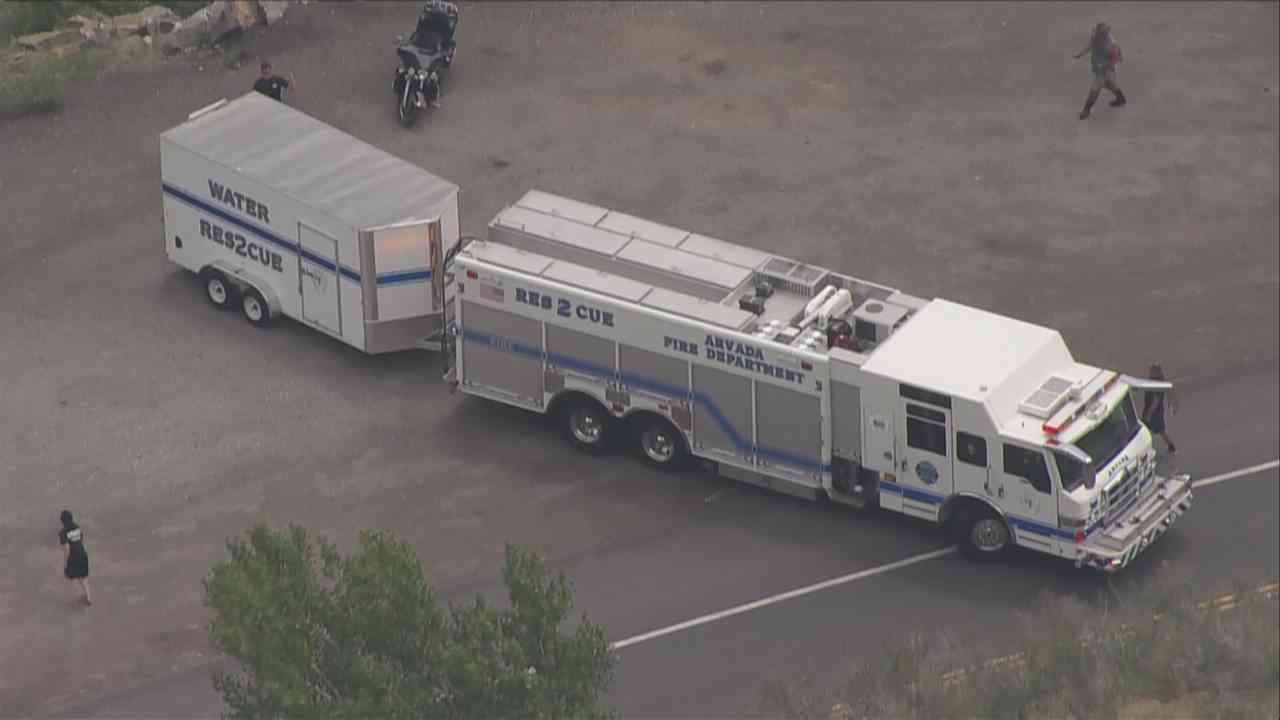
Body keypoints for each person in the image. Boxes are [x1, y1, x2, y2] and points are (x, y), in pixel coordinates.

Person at [1073, 21, 1127, 119]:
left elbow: (1117, 58)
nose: (1099, 35)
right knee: (1111, 84)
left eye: (1101, 33)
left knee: (1095, 89)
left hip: (1105, 70)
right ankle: (1121, 99)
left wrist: (1105, 66)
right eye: (1098, 32)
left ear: (1106, 33)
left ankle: (1086, 110)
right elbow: (1090, 45)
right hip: (1099, 68)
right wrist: (1081, 54)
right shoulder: (1096, 37)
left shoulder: (1111, 44)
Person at [1142, 363, 1177, 455]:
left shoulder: (1156, 384)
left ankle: (1146, 450)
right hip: (1155, 410)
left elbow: (1155, 401)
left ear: (1156, 372)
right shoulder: (1155, 381)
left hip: (1154, 412)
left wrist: (1149, 414)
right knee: (1160, 430)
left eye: (1151, 370)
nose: (1149, 372)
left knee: (1147, 429)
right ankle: (1171, 446)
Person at [58, 510, 92, 606]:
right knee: (83, 577)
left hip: (74, 557)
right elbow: (81, 539)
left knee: (71, 576)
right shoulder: (77, 527)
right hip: (83, 554)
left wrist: (65, 562)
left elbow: (67, 548)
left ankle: (80, 595)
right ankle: (88, 597)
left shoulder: (63, 533)